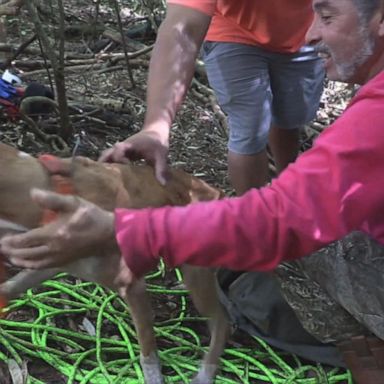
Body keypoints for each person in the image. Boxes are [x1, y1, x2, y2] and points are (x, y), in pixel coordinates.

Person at [1, 0, 384, 382]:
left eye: (327, 15)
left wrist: (125, 231)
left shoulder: (372, 119)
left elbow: (281, 220)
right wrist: (156, 126)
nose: (310, 31)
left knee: (327, 245)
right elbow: (181, 27)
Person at [100, 0, 324, 194]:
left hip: (305, 32)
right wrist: (156, 127)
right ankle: (257, 216)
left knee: (289, 117)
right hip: (233, 31)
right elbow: (182, 29)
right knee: (250, 127)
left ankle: (290, 186)